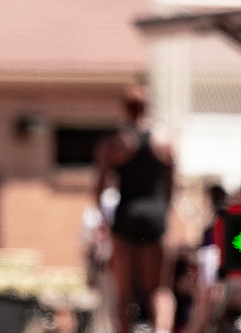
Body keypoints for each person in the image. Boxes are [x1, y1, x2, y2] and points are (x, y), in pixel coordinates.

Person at [94, 87, 178, 333]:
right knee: (158, 289)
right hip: (155, 215)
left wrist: (102, 221)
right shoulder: (164, 140)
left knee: (124, 292)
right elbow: (173, 185)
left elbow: (100, 185)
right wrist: (165, 214)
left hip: (127, 215)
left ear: (124, 108)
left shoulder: (115, 143)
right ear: (148, 107)